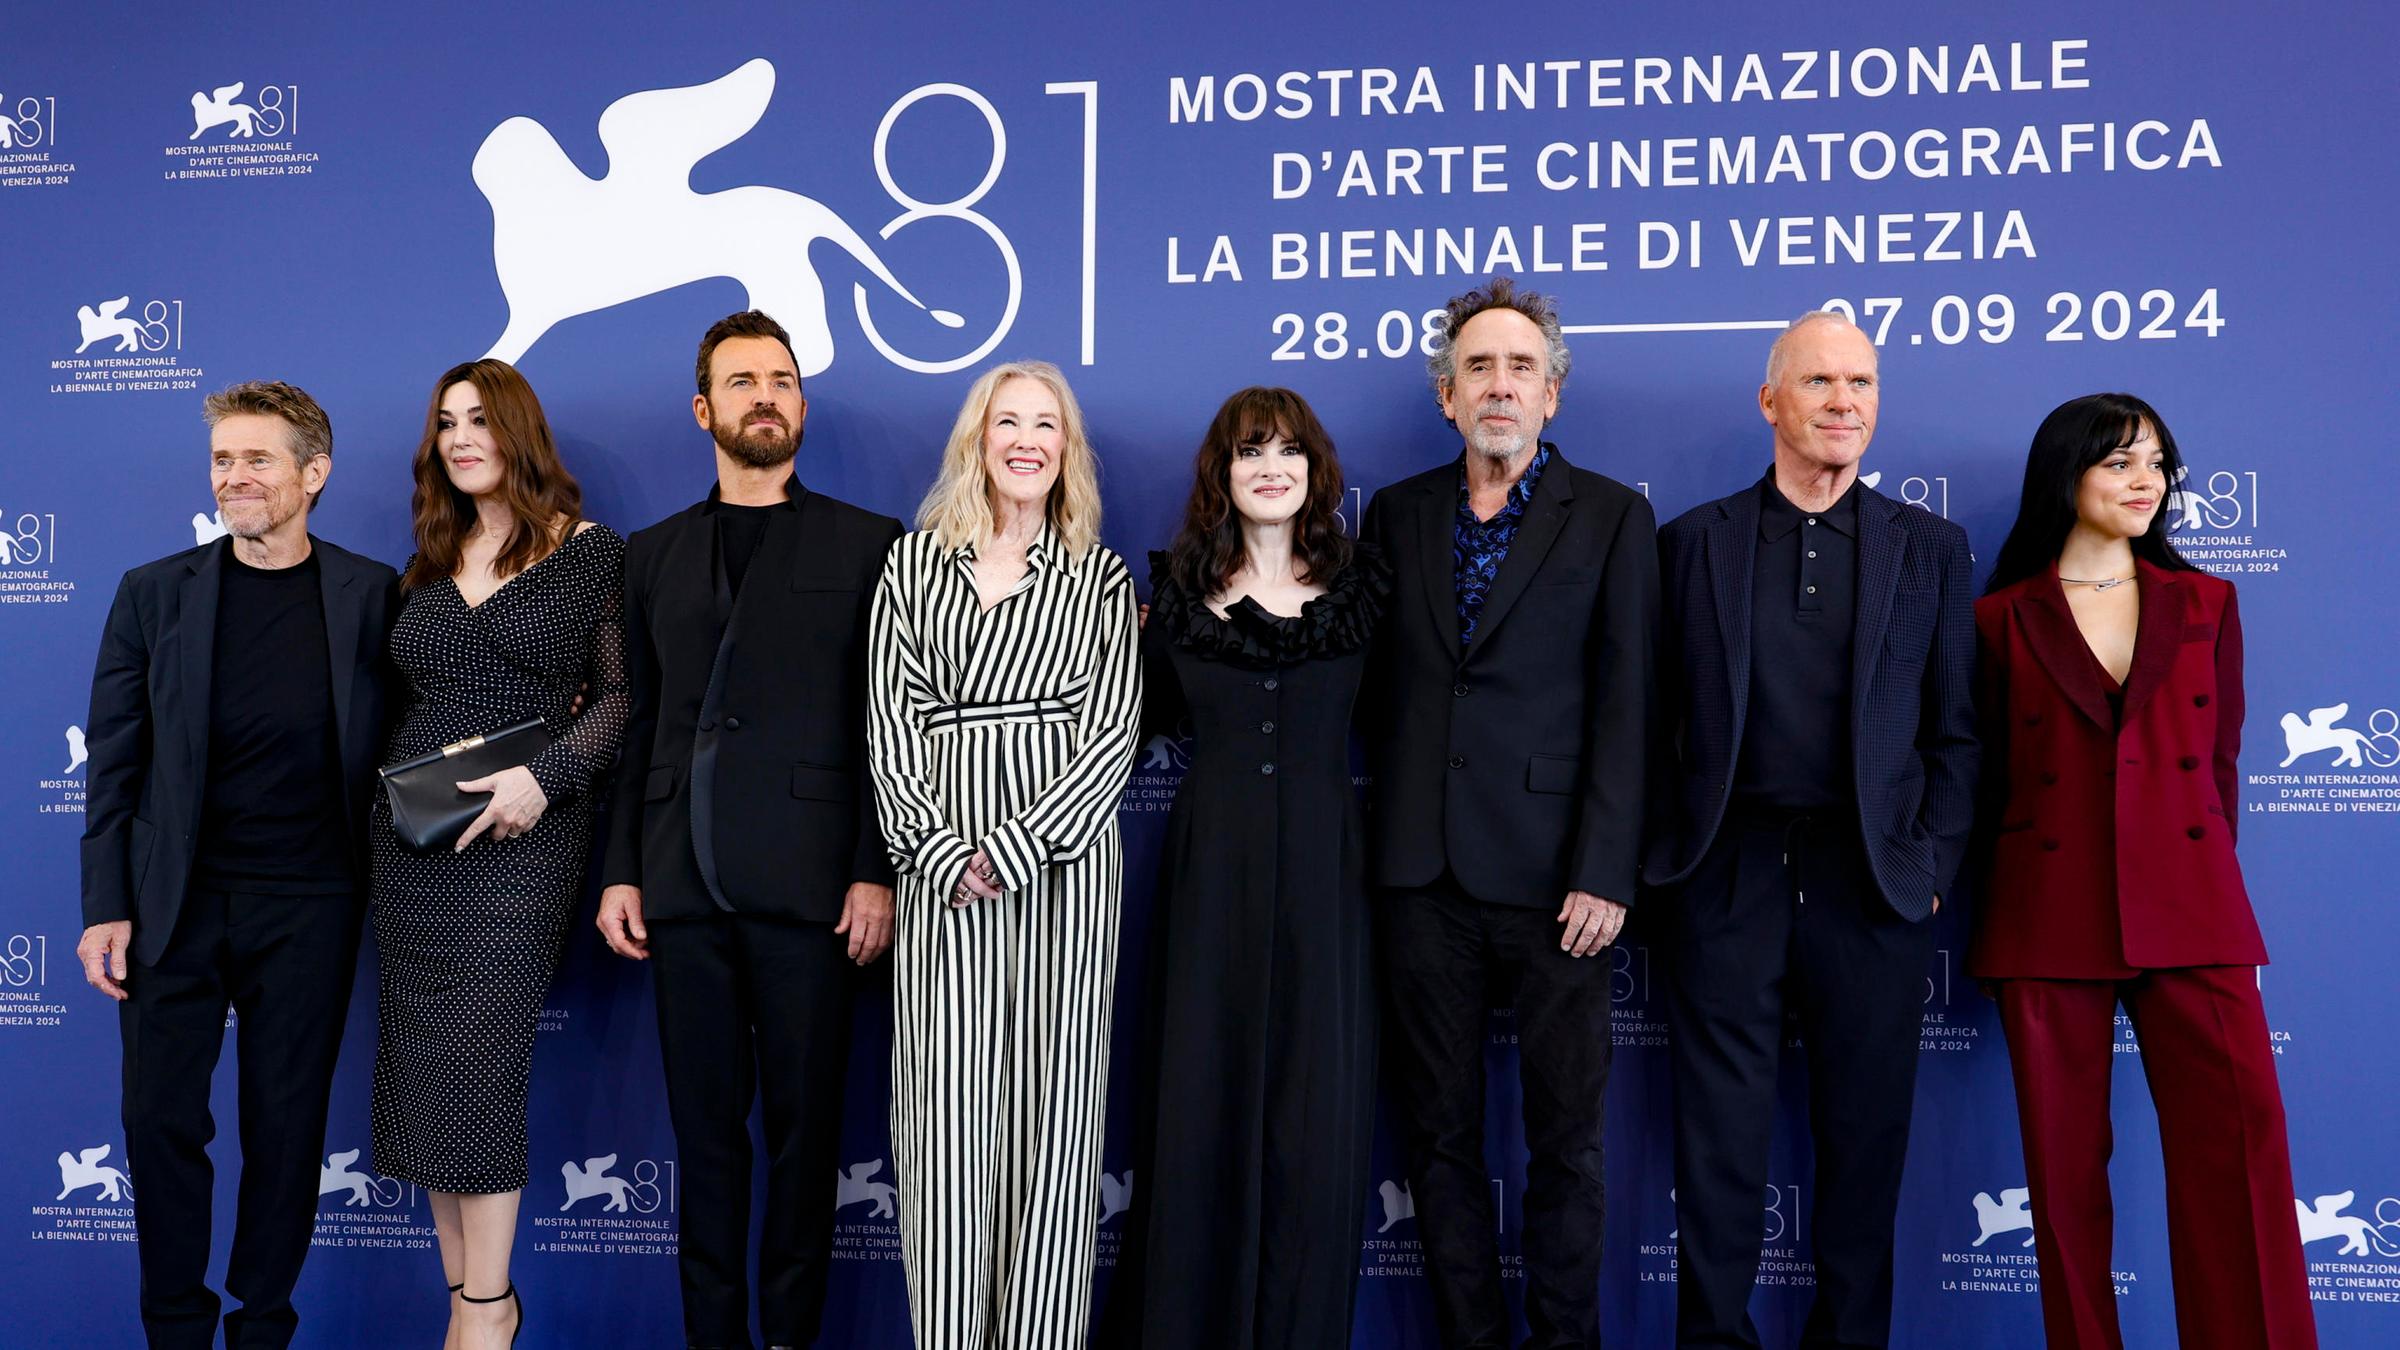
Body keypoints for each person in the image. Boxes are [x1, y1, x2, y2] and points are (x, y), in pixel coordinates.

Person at [1645, 311, 1978, 1349]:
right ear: (1771, 401)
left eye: (1864, 383)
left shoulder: (1929, 549)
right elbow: (1651, 726)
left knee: (1864, 1144)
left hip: (1870, 880)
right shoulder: (1692, 543)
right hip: (1726, 873)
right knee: (1716, 1148)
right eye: (1822, 381)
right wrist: (1672, 864)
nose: (1846, 403)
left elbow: (1957, 733)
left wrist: (1926, 868)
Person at [1971, 394, 2317, 1350]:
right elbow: (1989, 777)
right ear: (2066, 475)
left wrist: (2185, 869)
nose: (2145, 482)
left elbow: (2220, 767)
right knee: (2064, 1183)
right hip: (2047, 919)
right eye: (2121, 461)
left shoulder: (2206, 602)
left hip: (2192, 913)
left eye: (2158, 464)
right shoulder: (2000, 619)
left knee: (2239, 1160)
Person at [1360, 276, 1657, 1350]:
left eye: (1519, 367)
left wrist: (1608, 867)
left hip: (1557, 886)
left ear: (1552, 395)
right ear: (1446, 396)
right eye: (1477, 367)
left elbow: (1631, 708)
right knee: (1436, 1139)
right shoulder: (1394, 514)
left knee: (1566, 1142)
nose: (1498, 385)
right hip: (1418, 875)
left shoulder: (1617, 517)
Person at [596, 310, 900, 1350]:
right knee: (707, 1147)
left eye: (781, 379)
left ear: (801, 404)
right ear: (703, 408)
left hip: (817, 891)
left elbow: (888, 729)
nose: (764, 395)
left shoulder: (874, 546)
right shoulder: (650, 556)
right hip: (682, 888)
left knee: (805, 1146)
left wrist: (875, 871)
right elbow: (637, 722)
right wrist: (621, 871)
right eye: (740, 381)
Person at [76, 381, 400, 1350]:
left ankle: (263, 1329)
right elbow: (115, 760)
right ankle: (176, 1330)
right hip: (174, 902)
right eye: (223, 460)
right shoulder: (153, 592)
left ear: (314, 473)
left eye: (257, 459)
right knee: (156, 1121)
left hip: (313, 902)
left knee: (287, 1130)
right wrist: (107, 905)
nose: (234, 478)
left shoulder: (372, 594)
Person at [1100, 388, 1389, 1350]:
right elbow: (1116, 731)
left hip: (1328, 882)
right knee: (1199, 1104)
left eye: (1289, 452)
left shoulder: (1365, 593)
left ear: (1316, 473)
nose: (1271, 466)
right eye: (1250, 451)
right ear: (1221, 475)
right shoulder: (1171, 602)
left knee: (1317, 1121)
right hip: (1209, 876)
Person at [866, 359, 1141, 1350]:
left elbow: (1112, 734)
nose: (1027, 441)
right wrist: (942, 852)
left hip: (1063, 874)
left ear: (1067, 450)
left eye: (1047, 426)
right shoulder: (912, 565)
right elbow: (888, 725)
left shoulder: (1099, 578)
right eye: (1008, 422)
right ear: (976, 438)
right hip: (940, 876)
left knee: (1058, 1129)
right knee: (943, 1126)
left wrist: (1017, 848)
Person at [369, 358, 628, 1348]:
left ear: (518, 431)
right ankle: (465, 1302)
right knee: (425, 1071)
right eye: (446, 423)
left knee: (479, 1061)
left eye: (480, 419)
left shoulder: (593, 553)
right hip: (413, 851)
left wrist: (545, 779)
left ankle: (487, 1312)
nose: (463, 436)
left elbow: (619, 699)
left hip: (523, 846)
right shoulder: (431, 560)